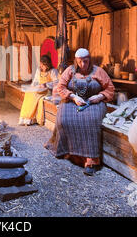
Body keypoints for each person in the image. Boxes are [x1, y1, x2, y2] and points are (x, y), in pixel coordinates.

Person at [45, 48, 114, 176]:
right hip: (72, 101)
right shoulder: (70, 70)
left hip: (93, 102)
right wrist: (73, 97)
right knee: (64, 120)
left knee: (91, 122)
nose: (83, 65)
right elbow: (60, 87)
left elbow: (110, 88)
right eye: (80, 62)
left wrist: (100, 96)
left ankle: (91, 160)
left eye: (86, 61)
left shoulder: (98, 71)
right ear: (76, 61)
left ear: (90, 60)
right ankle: (67, 152)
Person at [19, 54, 58, 126]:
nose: (41, 66)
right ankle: (25, 118)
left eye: (43, 65)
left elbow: (56, 82)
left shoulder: (53, 71)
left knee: (35, 97)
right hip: (39, 89)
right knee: (29, 94)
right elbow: (35, 81)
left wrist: (46, 84)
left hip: (47, 91)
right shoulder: (39, 70)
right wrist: (31, 87)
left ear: (47, 65)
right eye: (41, 65)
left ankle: (32, 119)